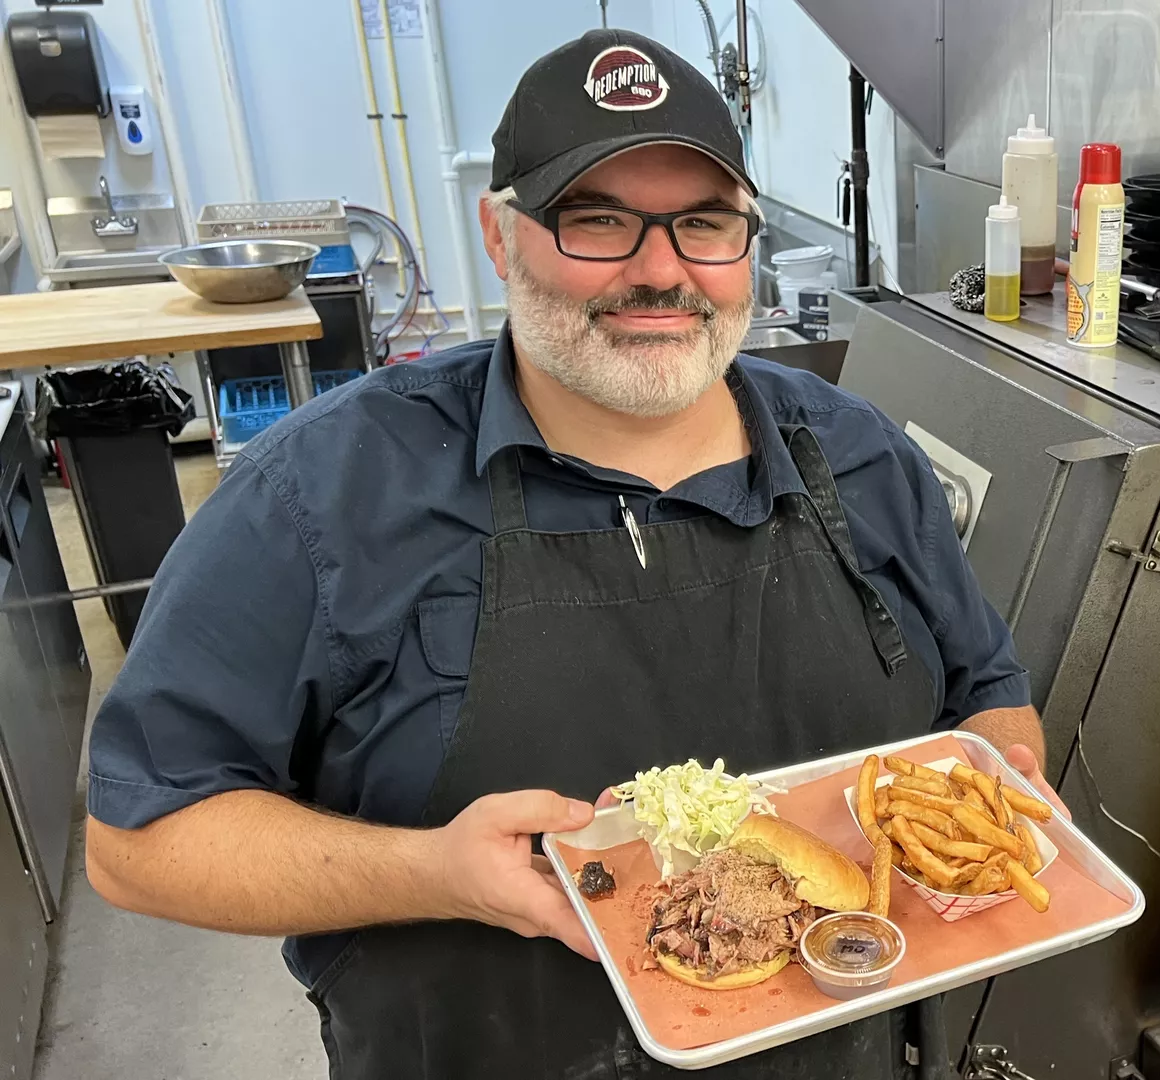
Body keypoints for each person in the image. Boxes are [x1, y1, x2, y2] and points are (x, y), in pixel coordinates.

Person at [83, 29, 1051, 1079]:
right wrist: (431, 873)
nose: (660, 271)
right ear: (501, 239)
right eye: (598, 221)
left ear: (747, 245)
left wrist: (1006, 817)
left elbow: (988, 701)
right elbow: (142, 838)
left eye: (704, 223)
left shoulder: (859, 455)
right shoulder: (319, 496)